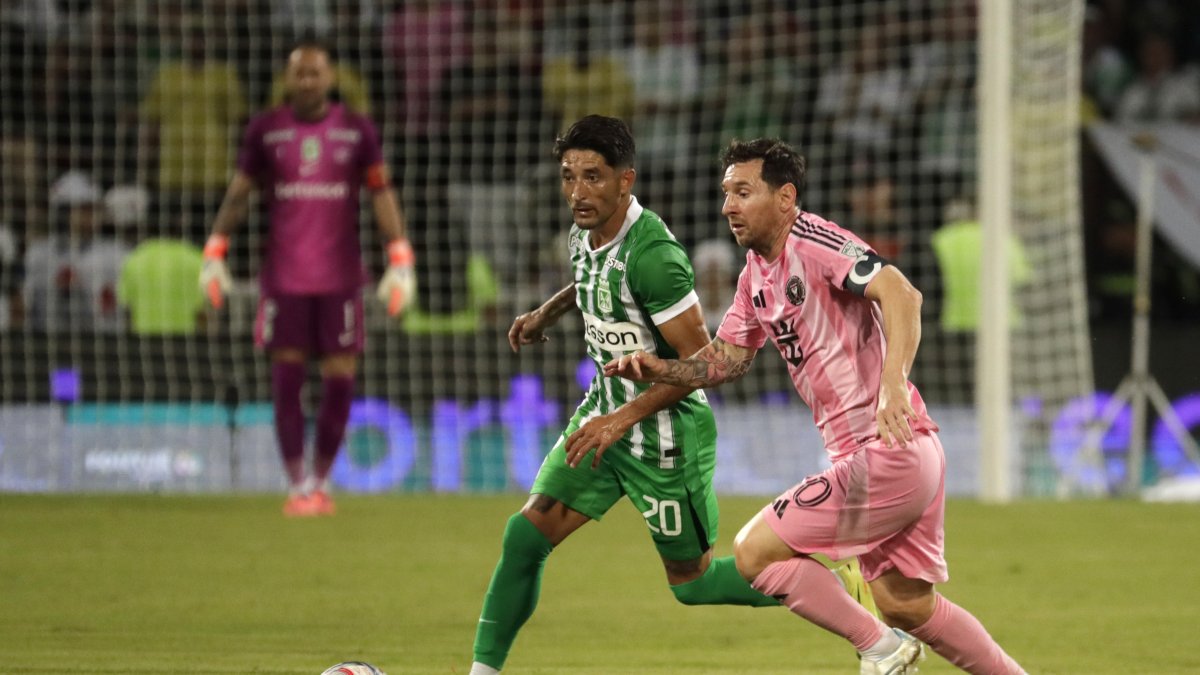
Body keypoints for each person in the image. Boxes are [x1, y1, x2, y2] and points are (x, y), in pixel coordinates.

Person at [602, 138, 1026, 674]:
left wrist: (893, 380)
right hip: (910, 452)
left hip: (885, 448)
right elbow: (727, 362)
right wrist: (659, 368)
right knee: (906, 603)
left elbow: (902, 293)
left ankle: (882, 649)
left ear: (785, 198)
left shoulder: (816, 243)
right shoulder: (755, 275)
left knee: (755, 553)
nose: (728, 206)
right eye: (726, 193)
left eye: (743, 191)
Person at [469, 117, 874, 675]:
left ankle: (840, 589)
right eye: (569, 177)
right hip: (602, 415)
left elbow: (695, 364)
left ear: (625, 181)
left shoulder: (656, 258)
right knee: (525, 536)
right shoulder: (582, 231)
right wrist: (548, 311)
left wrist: (623, 420)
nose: (577, 192)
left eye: (593, 177)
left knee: (695, 584)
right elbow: (591, 274)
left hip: (664, 437)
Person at [199, 40, 415, 517]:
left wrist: (399, 257)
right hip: (284, 278)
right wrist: (215, 247)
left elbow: (381, 192)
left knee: (340, 380)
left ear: (330, 78)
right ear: (287, 79)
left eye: (315, 73)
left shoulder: (357, 131)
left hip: (340, 278)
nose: (307, 81)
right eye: (299, 73)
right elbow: (240, 193)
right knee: (287, 381)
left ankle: (321, 480)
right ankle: (298, 484)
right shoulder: (265, 130)